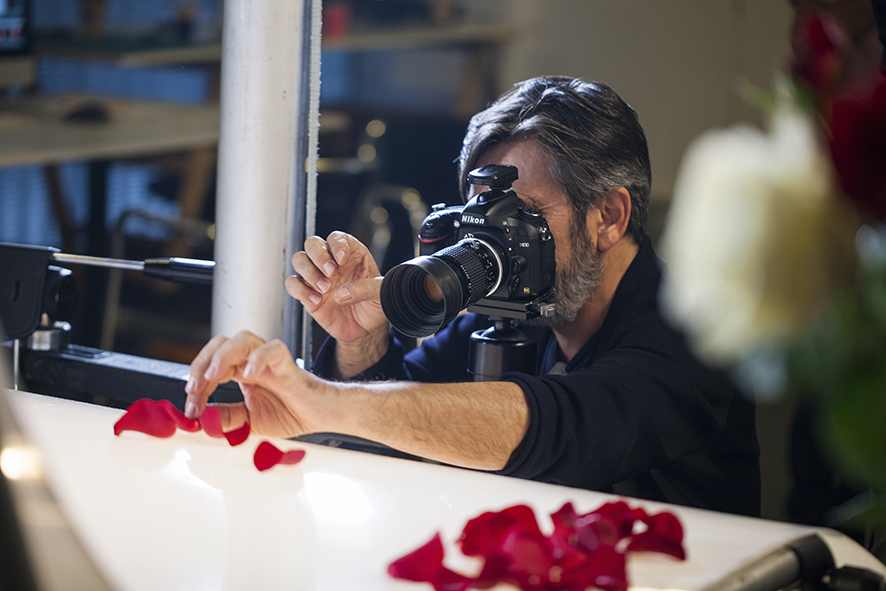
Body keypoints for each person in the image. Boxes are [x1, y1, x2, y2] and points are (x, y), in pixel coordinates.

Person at [184, 76, 761, 516]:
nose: (498, 247)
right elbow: (407, 425)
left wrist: (325, 400)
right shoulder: (520, 304)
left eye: (523, 217)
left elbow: (565, 428)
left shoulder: (696, 329)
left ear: (608, 215)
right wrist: (362, 343)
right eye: (485, 220)